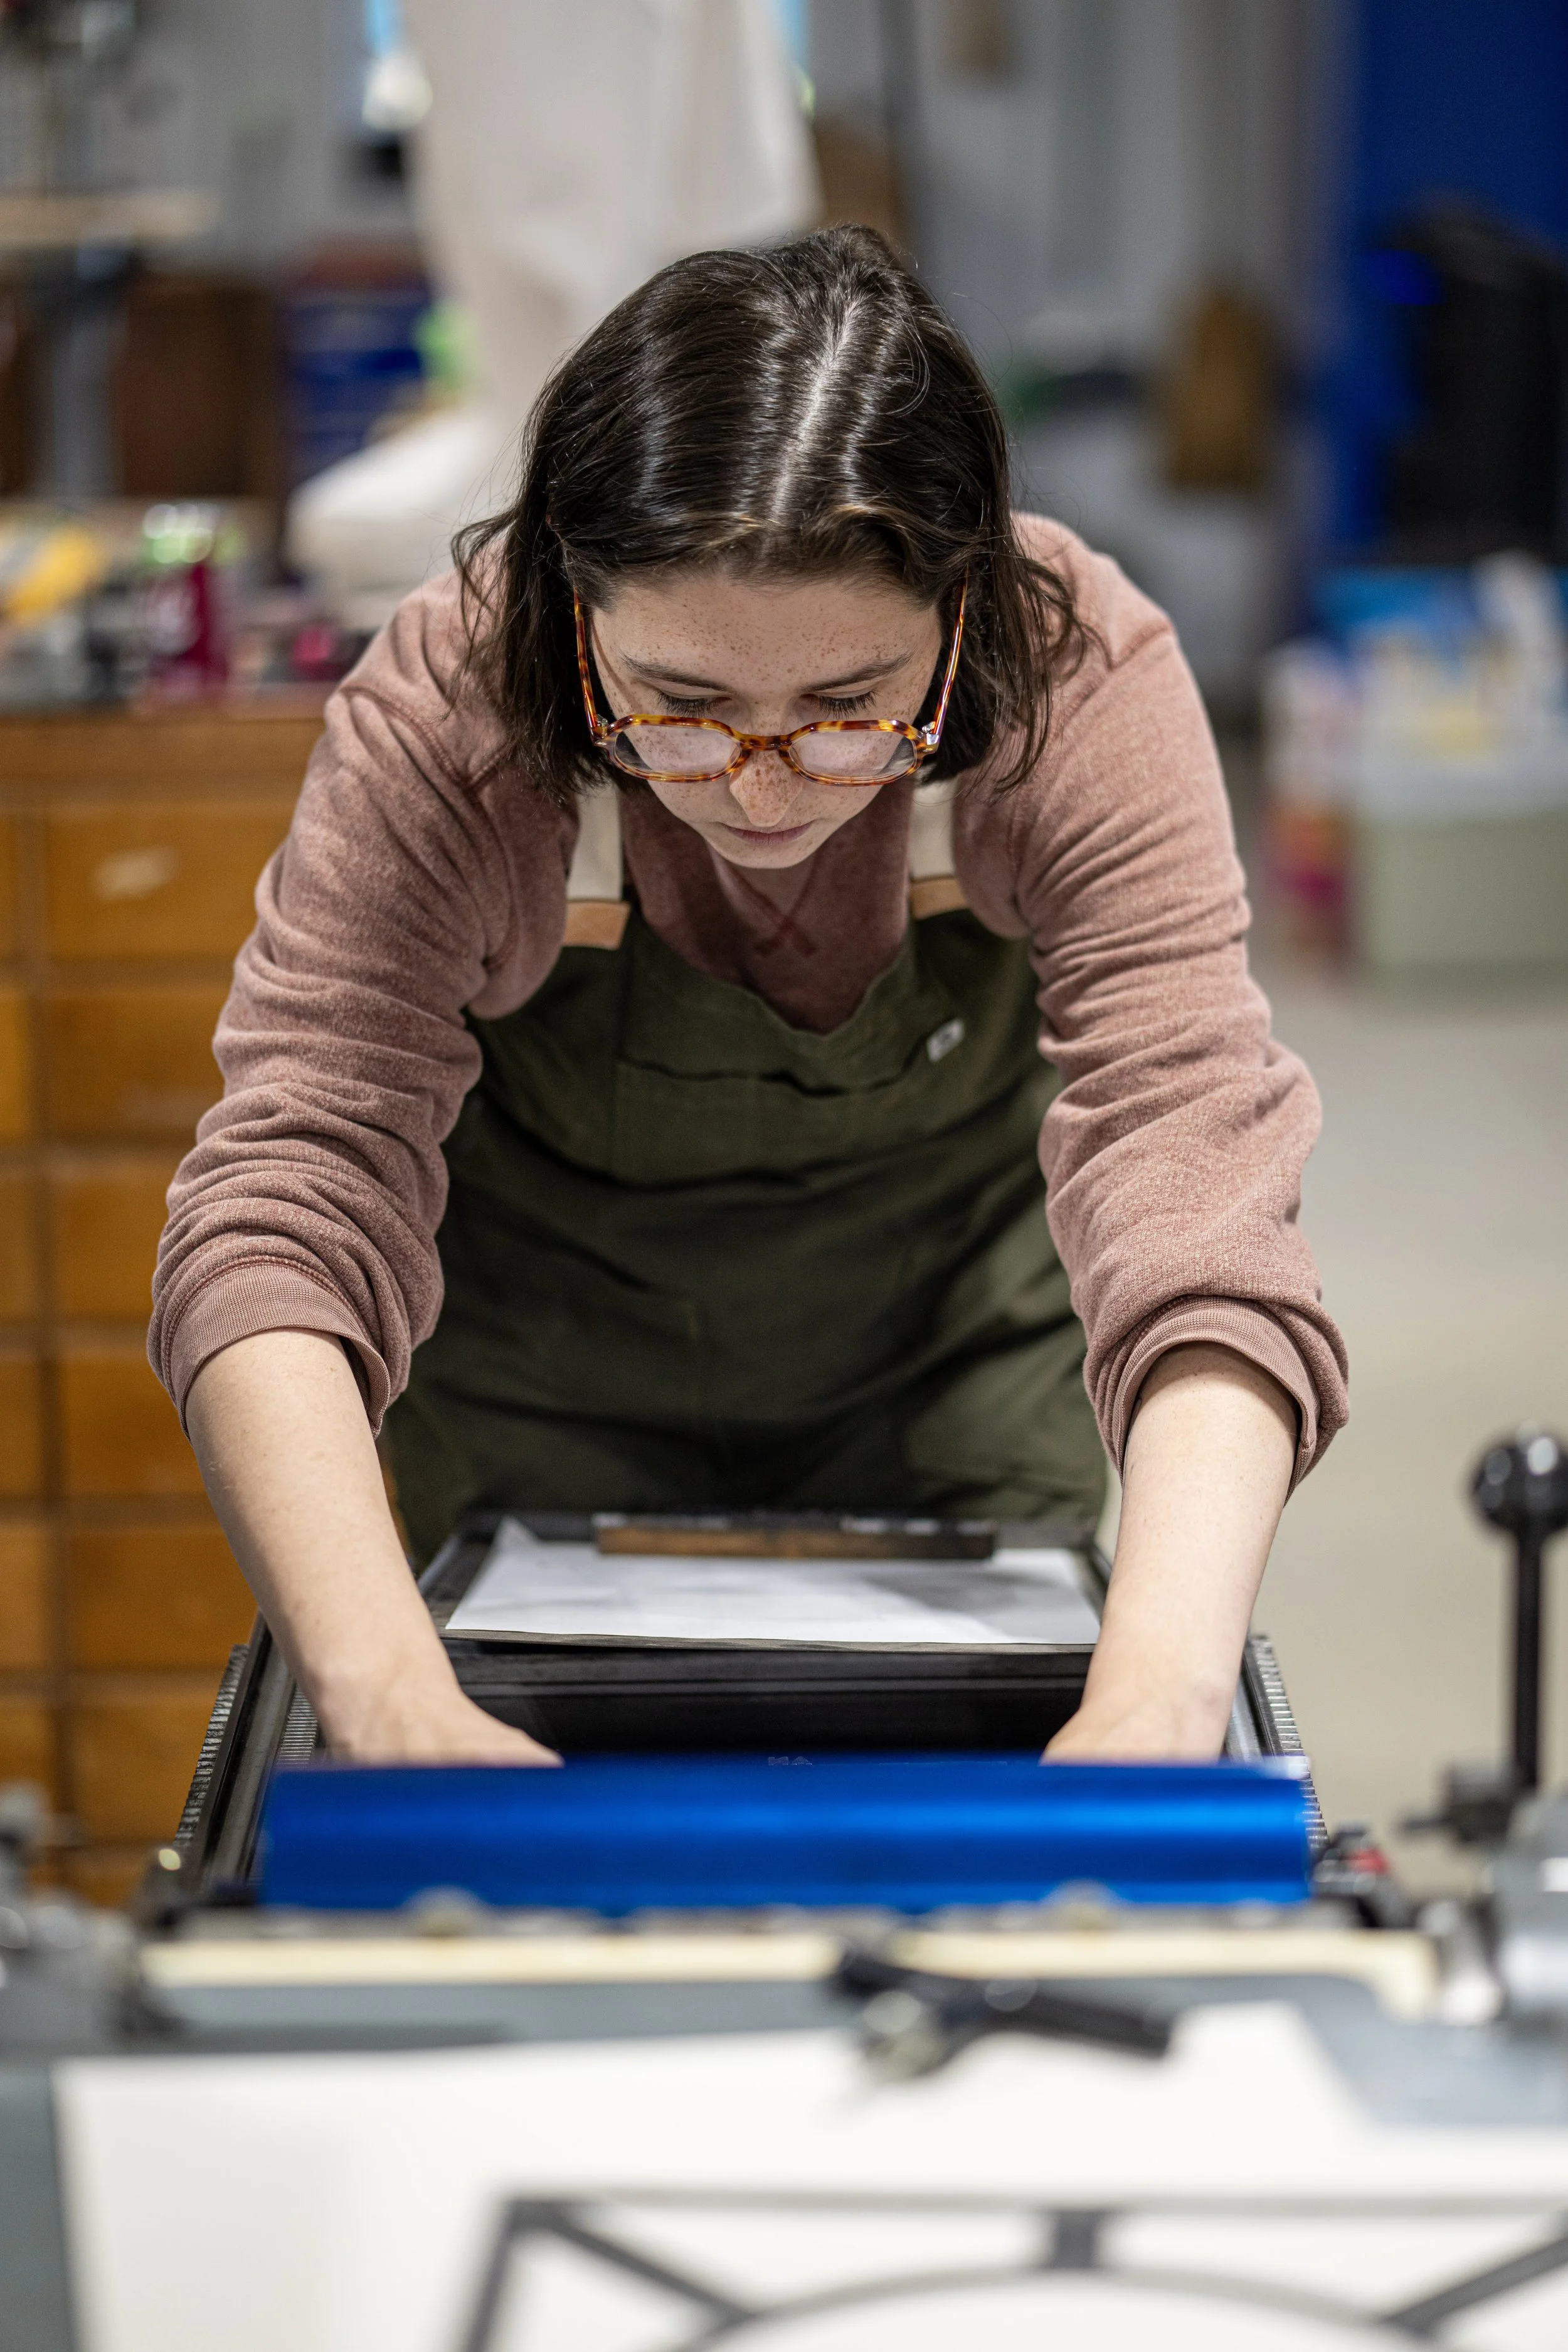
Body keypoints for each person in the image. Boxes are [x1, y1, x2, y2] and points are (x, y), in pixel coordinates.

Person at [151, 228, 1347, 1770]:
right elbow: (281, 1206)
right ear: (574, 619)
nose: (764, 788)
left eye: (848, 708)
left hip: (948, 1377)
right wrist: (380, 1693)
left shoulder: (1080, 686)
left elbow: (1195, 1190)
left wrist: (1162, 1698)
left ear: (962, 622)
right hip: (542, 1389)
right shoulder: (447, 724)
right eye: (682, 708)